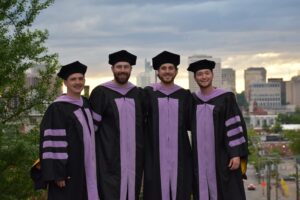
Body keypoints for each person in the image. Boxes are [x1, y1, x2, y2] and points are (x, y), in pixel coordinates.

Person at [187, 59, 248, 200]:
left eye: (207, 73)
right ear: (195, 77)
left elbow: (235, 126)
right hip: (199, 157)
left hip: (223, 156)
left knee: (227, 191)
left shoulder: (226, 98)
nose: (204, 77)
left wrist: (235, 154)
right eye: (200, 74)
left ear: (212, 75)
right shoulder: (192, 100)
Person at [39, 61, 99, 200]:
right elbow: (52, 143)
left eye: (80, 78)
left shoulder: (85, 103)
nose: (78, 82)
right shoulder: (58, 108)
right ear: (65, 83)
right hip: (67, 172)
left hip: (86, 167)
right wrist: (58, 174)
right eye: (73, 79)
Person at [89, 50, 145, 200]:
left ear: (131, 69)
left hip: (134, 160)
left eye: (126, 67)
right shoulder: (101, 92)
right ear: (112, 69)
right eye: (119, 67)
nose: (122, 70)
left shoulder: (138, 94)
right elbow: (92, 130)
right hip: (108, 159)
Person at [143, 51, 193, 200]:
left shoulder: (185, 95)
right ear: (157, 72)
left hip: (181, 156)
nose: (167, 71)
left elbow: (192, 124)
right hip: (154, 156)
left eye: (171, 68)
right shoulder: (148, 93)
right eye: (163, 68)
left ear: (176, 71)